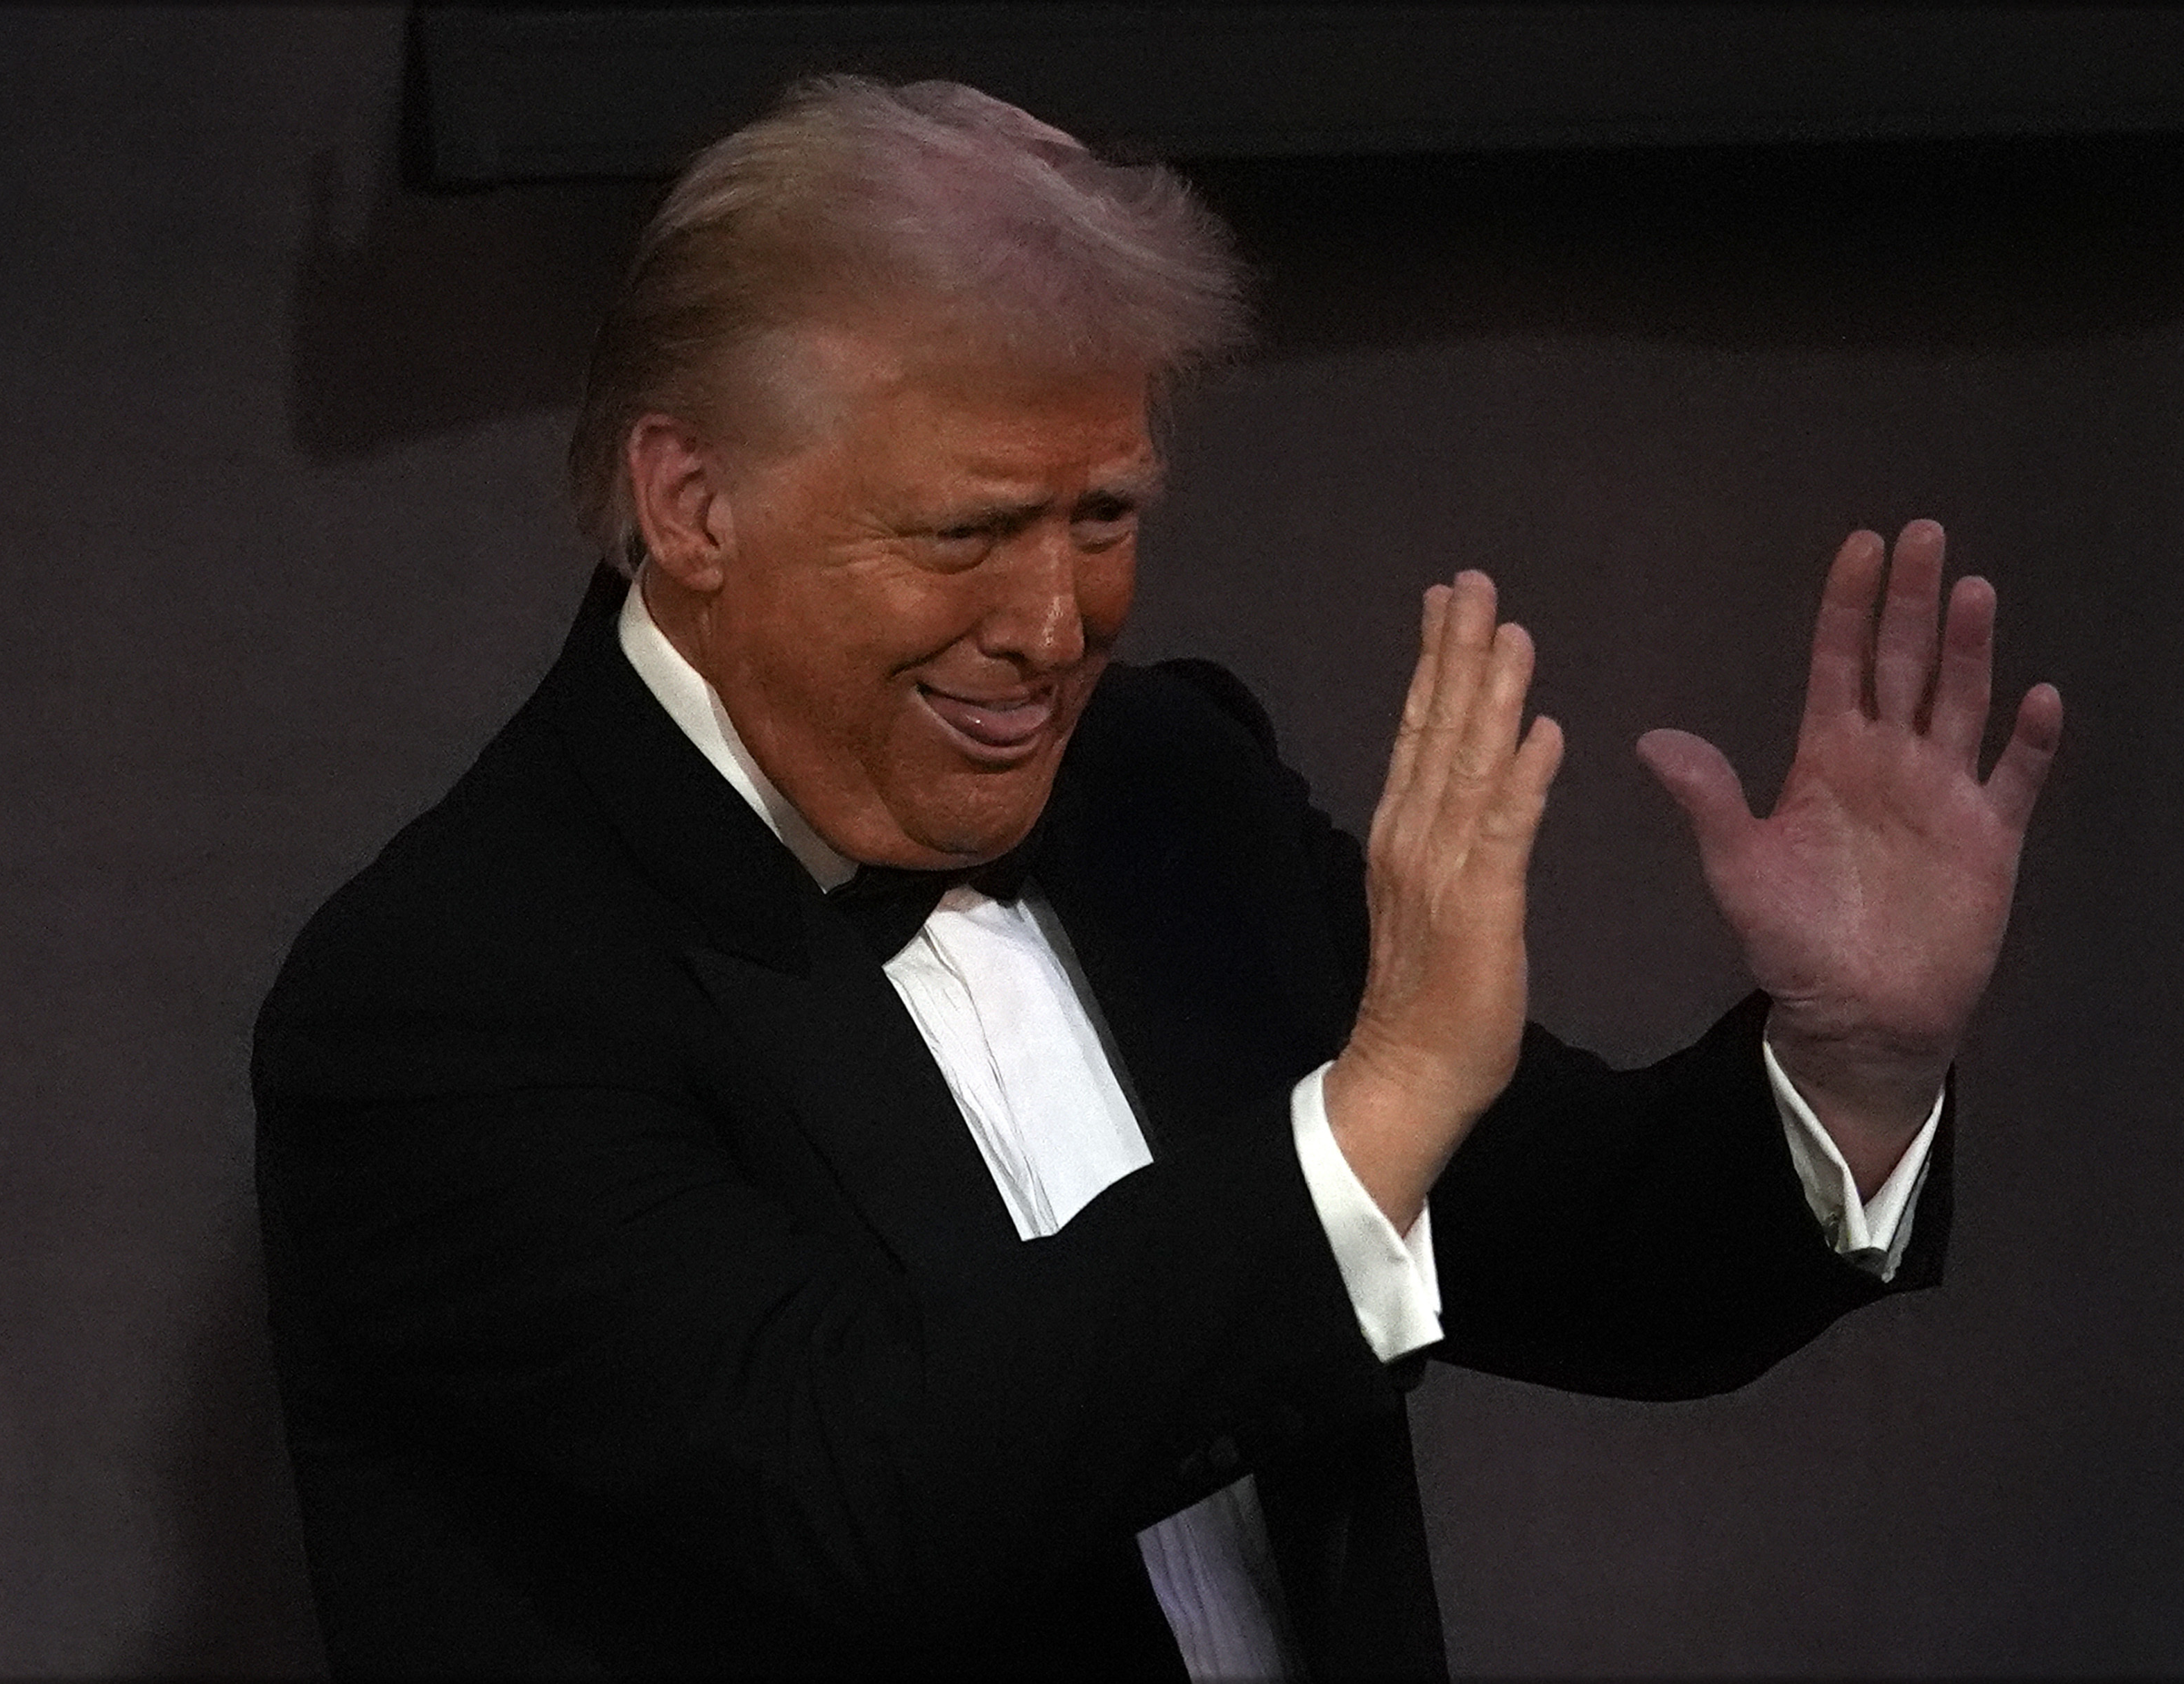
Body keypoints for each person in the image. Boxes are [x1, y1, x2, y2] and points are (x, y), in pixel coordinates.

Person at [254, 76, 2062, 1678]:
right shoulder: (449, 996)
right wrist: (1374, 1112)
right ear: (693, 506)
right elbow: (862, 1493)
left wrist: (1853, 1057)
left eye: (1103, 516)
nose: (1054, 628)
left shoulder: (1164, 794)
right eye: (968, 530)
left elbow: (1588, 1246)